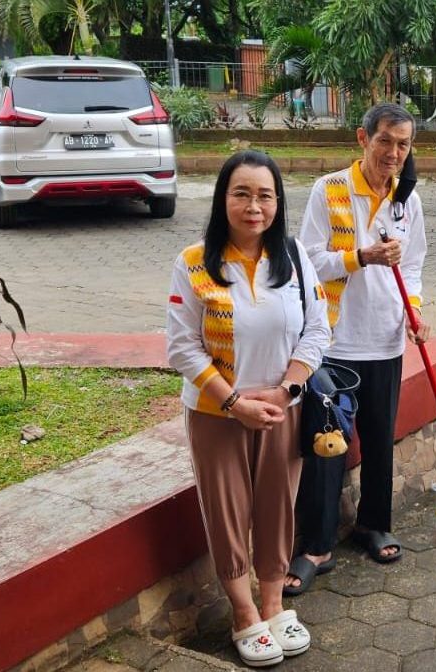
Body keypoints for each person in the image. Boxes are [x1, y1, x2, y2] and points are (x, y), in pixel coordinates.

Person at [166, 150, 331, 667]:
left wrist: (286, 391)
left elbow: (318, 328)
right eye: (241, 193)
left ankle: (274, 603)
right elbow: (181, 347)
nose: (253, 206)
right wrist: (234, 403)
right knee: (229, 512)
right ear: (223, 200)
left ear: (278, 203)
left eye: (265, 195)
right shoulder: (193, 262)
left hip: (282, 407)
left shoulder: (295, 257)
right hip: (218, 414)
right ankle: (243, 614)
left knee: (278, 505)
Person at [289, 103, 430, 588]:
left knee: (379, 438)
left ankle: (373, 524)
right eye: (385, 141)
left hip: (387, 339)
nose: (394, 153)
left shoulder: (407, 198)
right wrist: (360, 257)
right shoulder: (329, 190)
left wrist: (413, 310)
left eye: (403, 144)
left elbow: (413, 265)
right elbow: (307, 261)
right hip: (334, 342)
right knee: (326, 444)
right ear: (362, 138)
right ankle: (317, 544)